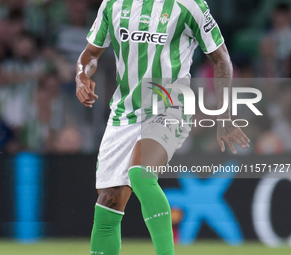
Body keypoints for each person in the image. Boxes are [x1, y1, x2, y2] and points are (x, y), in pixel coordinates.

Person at [76, 0, 251, 255]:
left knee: (140, 174)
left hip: (170, 107)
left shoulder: (189, 5)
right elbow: (90, 55)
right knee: (108, 204)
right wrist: (82, 75)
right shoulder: (113, 4)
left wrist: (223, 115)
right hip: (124, 114)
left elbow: (221, 58)